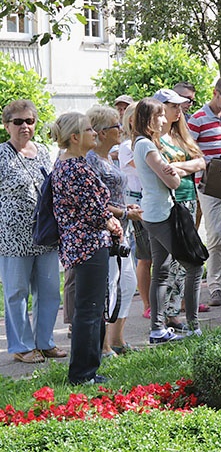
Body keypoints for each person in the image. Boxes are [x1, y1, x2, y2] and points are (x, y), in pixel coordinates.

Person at [50, 112, 123, 384]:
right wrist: (112, 222)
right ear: (75, 137)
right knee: (89, 310)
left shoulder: (69, 164)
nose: (95, 133)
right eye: (90, 130)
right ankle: (82, 374)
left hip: (82, 243)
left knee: (89, 308)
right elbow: (93, 211)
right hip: (87, 244)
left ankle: (88, 369)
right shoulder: (75, 168)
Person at [132, 98, 202, 343]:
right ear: (150, 119)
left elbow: (179, 171)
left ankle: (157, 330)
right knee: (194, 265)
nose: (165, 119)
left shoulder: (145, 144)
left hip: (155, 213)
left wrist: (174, 170)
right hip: (161, 214)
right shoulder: (147, 146)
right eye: (160, 115)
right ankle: (193, 325)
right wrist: (175, 173)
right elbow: (171, 181)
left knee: (161, 272)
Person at [0, 100, 62, 364]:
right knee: (16, 292)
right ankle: (21, 346)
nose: (24, 126)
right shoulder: (1, 154)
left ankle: (45, 342)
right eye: (18, 122)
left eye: (29, 121)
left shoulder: (46, 151)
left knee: (49, 291)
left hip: (45, 233)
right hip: (12, 236)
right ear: (6, 125)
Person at [85, 105, 143, 357]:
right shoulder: (91, 160)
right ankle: (103, 345)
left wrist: (125, 206)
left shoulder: (109, 156)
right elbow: (92, 202)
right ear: (100, 132)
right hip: (104, 232)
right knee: (109, 286)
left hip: (121, 230)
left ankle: (117, 339)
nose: (121, 129)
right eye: (115, 126)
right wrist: (123, 212)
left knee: (127, 283)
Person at [154, 88, 205, 332]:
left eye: (178, 106)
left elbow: (200, 161)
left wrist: (178, 166)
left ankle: (173, 313)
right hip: (170, 204)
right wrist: (182, 167)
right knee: (170, 263)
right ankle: (166, 316)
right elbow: (162, 171)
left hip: (189, 199)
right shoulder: (153, 140)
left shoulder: (180, 136)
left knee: (181, 264)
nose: (179, 110)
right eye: (173, 106)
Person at [188, 77, 221, 307]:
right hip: (207, 183)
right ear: (216, 93)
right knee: (216, 233)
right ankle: (215, 285)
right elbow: (189, 150)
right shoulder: (198, 119)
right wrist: (210, 163)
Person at [118, 103, 153, 321]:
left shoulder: (147, 144)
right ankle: (147, 304)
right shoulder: (126, 146)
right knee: (144, 255)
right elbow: (147, 167)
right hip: (137, 204)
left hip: (151, 201)